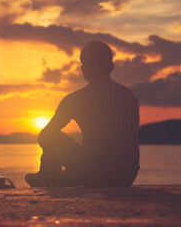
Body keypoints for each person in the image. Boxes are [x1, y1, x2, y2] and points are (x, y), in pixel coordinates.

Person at [25, 41, 140, 187]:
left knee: (51, 136)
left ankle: (48, 175)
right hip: (126, 175)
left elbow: (46, 135)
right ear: (111, 67)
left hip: (94, 173)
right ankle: (68, 177)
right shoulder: (128, 96)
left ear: (83, 70)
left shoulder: (75, 99)